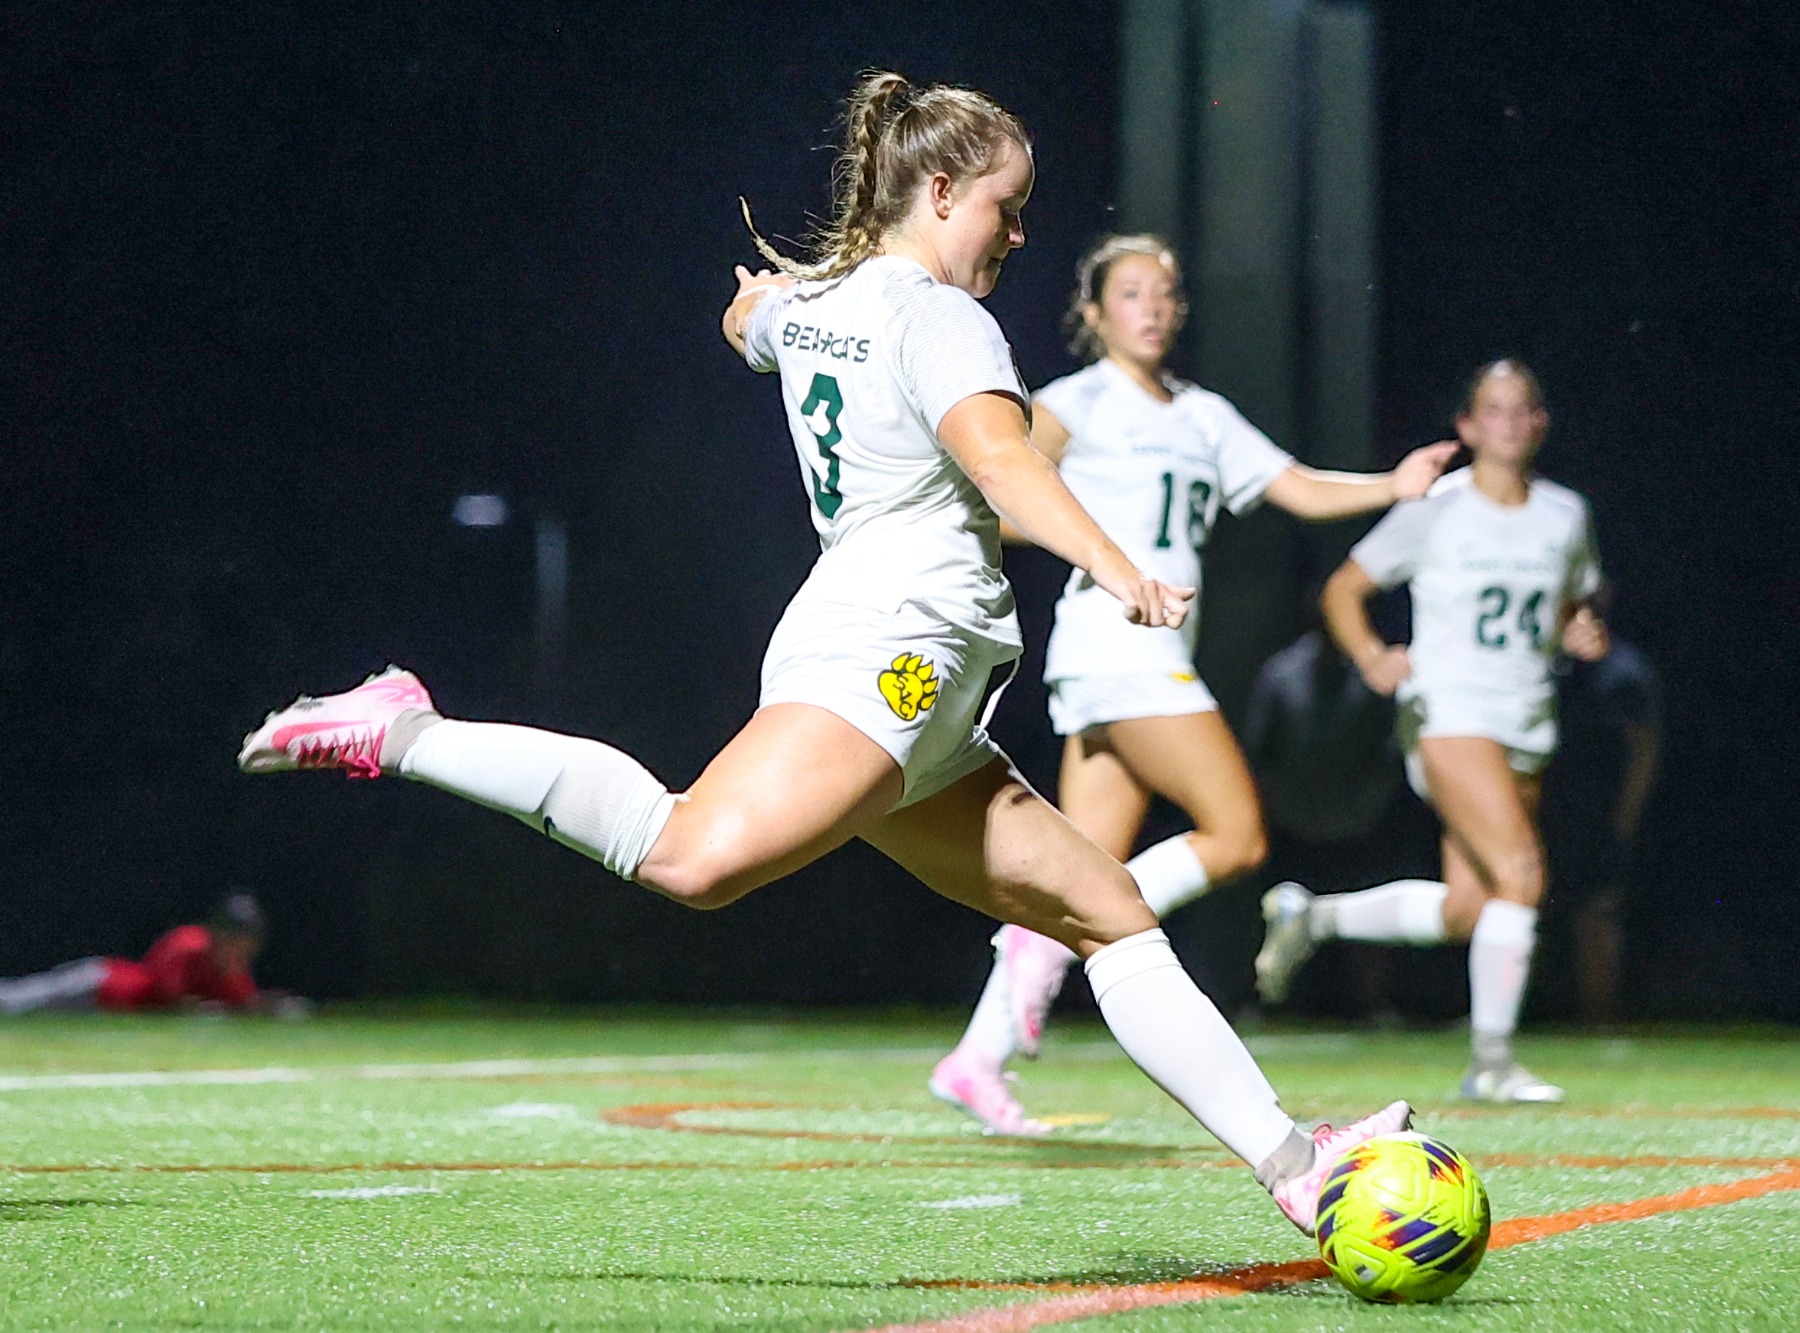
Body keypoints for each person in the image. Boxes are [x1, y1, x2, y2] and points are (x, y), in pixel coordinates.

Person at [236, 73, 1408, 1237]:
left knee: (1109, 913)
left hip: (922, 676)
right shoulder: (940, 316)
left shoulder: (825, 303)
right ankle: (403, 727)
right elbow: (1004, 466)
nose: (1016, 229)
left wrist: (755, 313)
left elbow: (751, 326)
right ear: (939, 189)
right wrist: (1119, 569)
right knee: (689, 857)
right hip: (890, 651)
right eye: (1006, 204)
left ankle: (1298, 1163)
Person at [927, 234, 1455, 1134]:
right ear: (1093, 313)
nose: (1155, 305)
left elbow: (1293, 485)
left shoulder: (1202, 413)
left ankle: (976, 1058)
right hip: (1119, 646)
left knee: (1079, 870)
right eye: (1132, 292)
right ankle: (1032, 955)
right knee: (1239, 833)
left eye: (1167, 292)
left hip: (1140, 655)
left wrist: (1391, 486)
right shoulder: (1071, 403)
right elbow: (1002, 489)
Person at [1254, 360, 1607, 1102]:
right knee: (1522, 873)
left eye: (1523, 408)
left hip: (1526, 717)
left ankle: (1312, 915)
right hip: (1449, 712)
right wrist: (1372, 655)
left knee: (1471, 907)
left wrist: (1579, 627)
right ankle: (1492, 1061)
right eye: (1493, 409)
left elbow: (1575, 595)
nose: (1509, 421)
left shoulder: (1566, 514)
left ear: (1540, 423)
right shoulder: (1436, 507)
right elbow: (1344, 589)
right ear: (1468, 426)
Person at [1544, 631, 1661, 1023]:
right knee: (1523, 906)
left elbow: (1643, 744)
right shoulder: (1544, 660)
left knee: (1598, 912)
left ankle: (1601, 1016)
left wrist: (1625, 815)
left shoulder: (1622, 668)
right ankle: (1509, 1018)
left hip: (1600, 809)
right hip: (1548, 803)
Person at [0, 893, 279, 1015]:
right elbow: (171, 998)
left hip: (104, 1007)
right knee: (19, 999)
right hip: (100, 983)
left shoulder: (231, 969)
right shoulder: (189, 944)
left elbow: (244, 1003)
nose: (240, 949)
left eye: (245, 943)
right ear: (218, 934)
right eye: (235, 940)